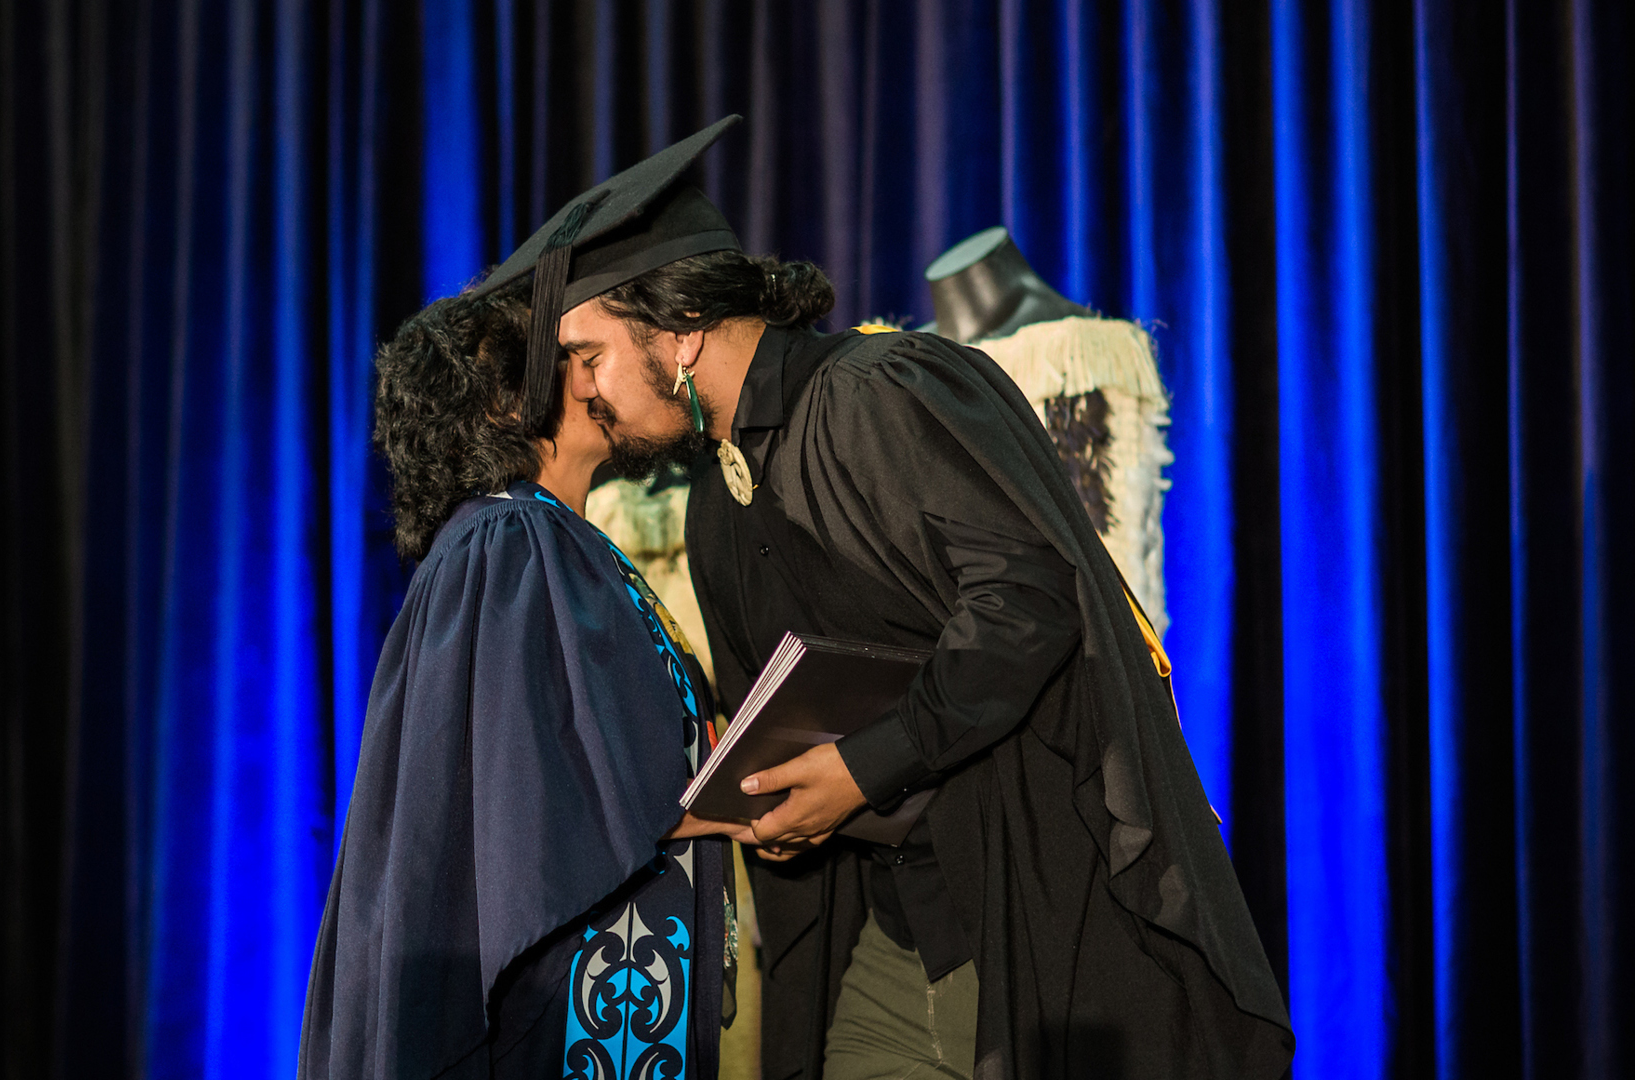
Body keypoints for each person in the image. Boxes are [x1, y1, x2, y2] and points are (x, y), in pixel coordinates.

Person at [476, 116, 1293, 1080]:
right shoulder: (716, 501)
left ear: (682, 332)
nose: (586, 394)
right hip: (893, 944)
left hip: (1037, 913)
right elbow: (784, 721)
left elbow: (1026, 599)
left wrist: (864, 768)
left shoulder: (879, 391)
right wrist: (765, 802)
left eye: (589, 356)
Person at [296, 282, 746, 1080]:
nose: (589, 380)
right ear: (507, 408)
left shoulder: (552, 541)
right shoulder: (508, 543)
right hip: (561, 1016)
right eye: (568, 362)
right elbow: (528, 801)